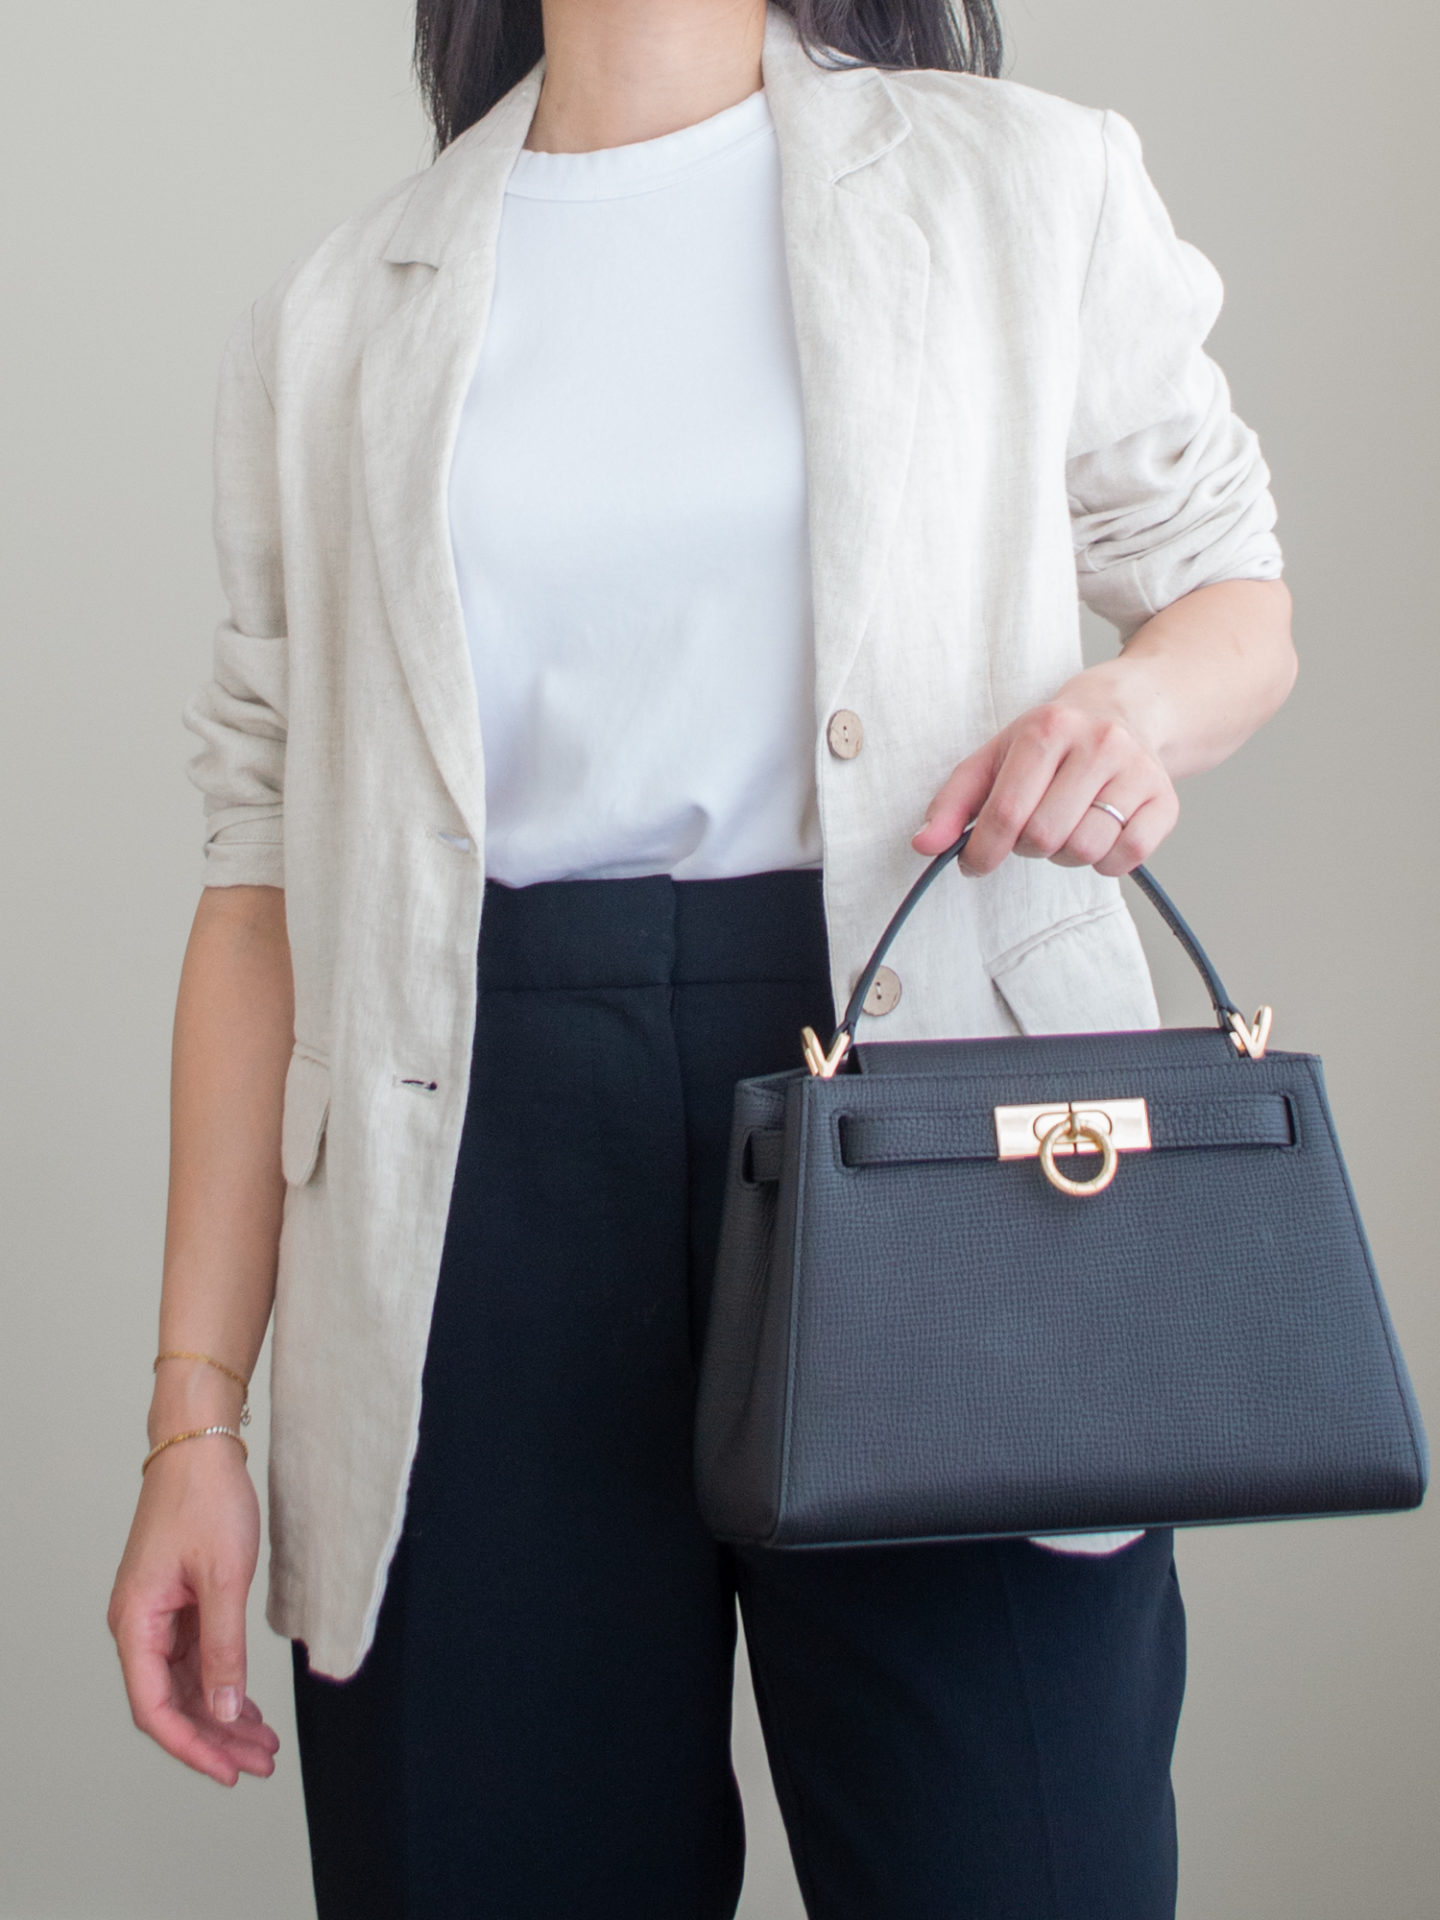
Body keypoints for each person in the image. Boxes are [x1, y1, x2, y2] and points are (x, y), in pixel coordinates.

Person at [107, 2, 1297, 1914]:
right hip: (465, 1189)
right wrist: (194, 1414)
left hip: (940, 1151)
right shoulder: (335, 317)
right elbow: (256, 882)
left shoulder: (1023, 182)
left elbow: (1233, 590)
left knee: (1015, 1860)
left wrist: (1136, 713)